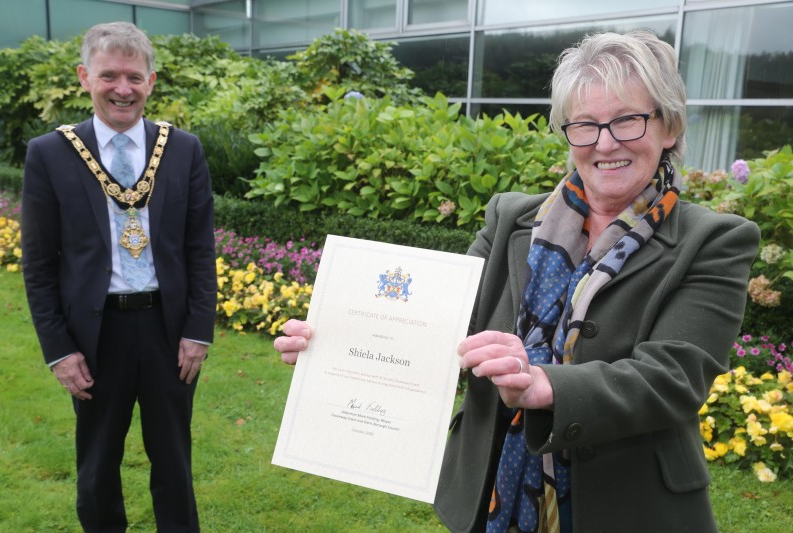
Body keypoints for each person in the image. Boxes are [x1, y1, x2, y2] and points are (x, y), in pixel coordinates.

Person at [273, 30, 760, 532]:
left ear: (670, 127)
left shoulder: (714, 241)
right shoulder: (510, 220)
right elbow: (443, 332)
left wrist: (544, 383)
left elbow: (672, 377)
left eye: (627, 120)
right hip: (494, 490)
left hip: (625, 505)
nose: (605, 142)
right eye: (585, 125)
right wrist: (334, 346)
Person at [21, 22, 216, 532]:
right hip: (94, 334)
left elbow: (199, 249)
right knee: (97, 466)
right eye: (109, 76)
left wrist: (198, 330)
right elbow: (39, 265)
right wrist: (59, 350)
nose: (123, 89)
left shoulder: (183, 149)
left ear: (152, 81)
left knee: (174, 462)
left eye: (134, 76)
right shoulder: (50, 154)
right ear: (85, 77)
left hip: (168, 331)